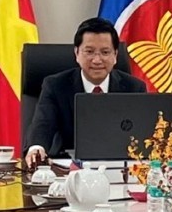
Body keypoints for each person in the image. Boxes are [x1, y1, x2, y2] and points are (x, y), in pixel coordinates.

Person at [24, 17, 146, 166]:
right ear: (76, 53)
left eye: (105, 52)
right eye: (89, 51)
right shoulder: (56, 85)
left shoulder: (134, 88)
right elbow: (43, 123)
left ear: (115, 56)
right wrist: (36, 148)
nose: (97, 60)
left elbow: (142, 136)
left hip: (119, 168)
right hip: (67, 168)